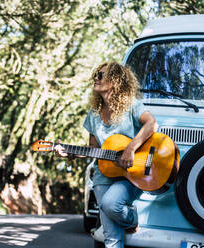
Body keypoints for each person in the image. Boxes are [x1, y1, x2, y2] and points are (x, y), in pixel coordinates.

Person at [55, 61, 158, 248]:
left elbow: (152, 124)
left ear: (115, 80)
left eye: (100, 75)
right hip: (103, 176)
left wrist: (130, 149)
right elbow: (92, 149)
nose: (95, 78)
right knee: (111, 237)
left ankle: (131, 219)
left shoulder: (131, 106)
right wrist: (69, 153)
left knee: (111, 205)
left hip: (132, 174)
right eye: (96, 74)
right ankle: (128, 223)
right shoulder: (93, 114)